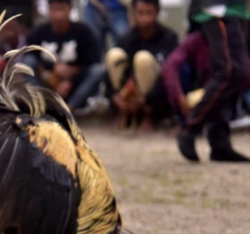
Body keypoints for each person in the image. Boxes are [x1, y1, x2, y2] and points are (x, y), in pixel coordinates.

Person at [177, 0, 250, 162]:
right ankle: (190, 127)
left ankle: (219, 143)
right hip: (217, 8)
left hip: (236, 9)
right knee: (230, 70)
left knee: (235, 72)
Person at [105, 0, 178, 129]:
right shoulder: (126, 39)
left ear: (157, 13)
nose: (145, 18)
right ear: (133, 14)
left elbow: (170, 74)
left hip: (156, 97)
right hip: (130, 93)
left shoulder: (169, 38)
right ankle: (122, 112)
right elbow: (110, 71)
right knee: (113, 55)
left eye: (149, 13)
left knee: (143, 59)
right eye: (140, 13)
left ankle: (148, 115)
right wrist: (115, 95)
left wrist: (147, 100)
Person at [23, 0, 105, 114]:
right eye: (55, 9)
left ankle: (69, 109)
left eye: (62, 9)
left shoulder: (84, 32)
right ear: (49, 10)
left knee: (98, 70)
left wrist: (71, 81)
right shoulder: (38, 32)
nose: (59, 15)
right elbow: (29, 56)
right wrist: (51, 71)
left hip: (75, 86)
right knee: (26, 63)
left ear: (70, 9)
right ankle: (41, 105)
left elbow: (92, 61)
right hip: (47, 84)